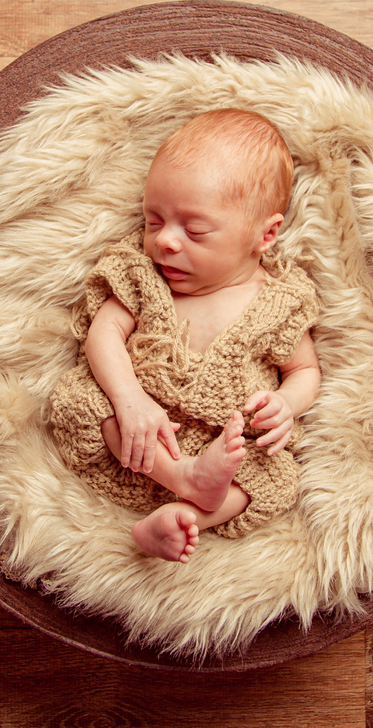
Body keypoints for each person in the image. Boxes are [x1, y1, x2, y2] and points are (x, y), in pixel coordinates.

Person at [49, 109, 320, 563]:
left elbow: (305, 370)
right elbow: (104, 333)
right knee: (84, 400)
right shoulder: (145, 275)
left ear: (265, 234)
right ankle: (182, 479)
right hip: (138, 434)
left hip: (223, 447)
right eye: (153, 221)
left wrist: (287, 404)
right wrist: (129, 399)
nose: (166, 242)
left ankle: (180, 516)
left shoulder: (279, 302)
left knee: (269, 477)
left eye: (194, 230)